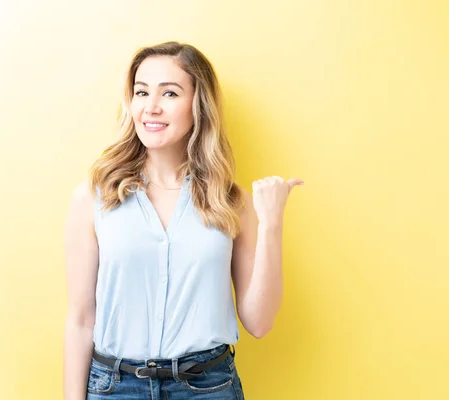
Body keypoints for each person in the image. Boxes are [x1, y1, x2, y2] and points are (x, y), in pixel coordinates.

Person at [63, 41, 304, 399]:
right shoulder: (96, 195)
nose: (151, 107)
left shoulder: (230, 201)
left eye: (170, 93)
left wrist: (271, 223)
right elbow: (81, 320)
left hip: (207, 387)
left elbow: (259, 322)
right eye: (141, 92)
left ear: (198, 105)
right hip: (114, 387)